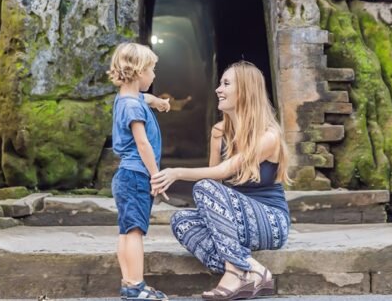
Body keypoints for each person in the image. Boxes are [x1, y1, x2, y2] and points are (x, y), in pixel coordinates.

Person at [151, 61, 291, 301]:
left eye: (226, 84)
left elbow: (221, 172)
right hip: (236, 223)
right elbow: (216, 178)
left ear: (245, 91)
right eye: (220, 83)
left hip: (270, 221)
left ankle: (233, 272)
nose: (218, 89)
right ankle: (251, 268)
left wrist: (176, 172)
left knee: (205, 187)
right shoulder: (219, 132)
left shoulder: (269, 136)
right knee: (181, 221)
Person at [107, 42, 170, 300]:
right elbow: (142, 142)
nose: (154, 75)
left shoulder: (127, 99)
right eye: (152, 70)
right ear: (140, 72)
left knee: (126, 230)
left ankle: (128, 282)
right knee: (135, 232)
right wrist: (156, 175)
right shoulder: (133, 107)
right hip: (136, 175)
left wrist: (159, 102)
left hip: (126, 176)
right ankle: (135, 286)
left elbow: (146, 98)